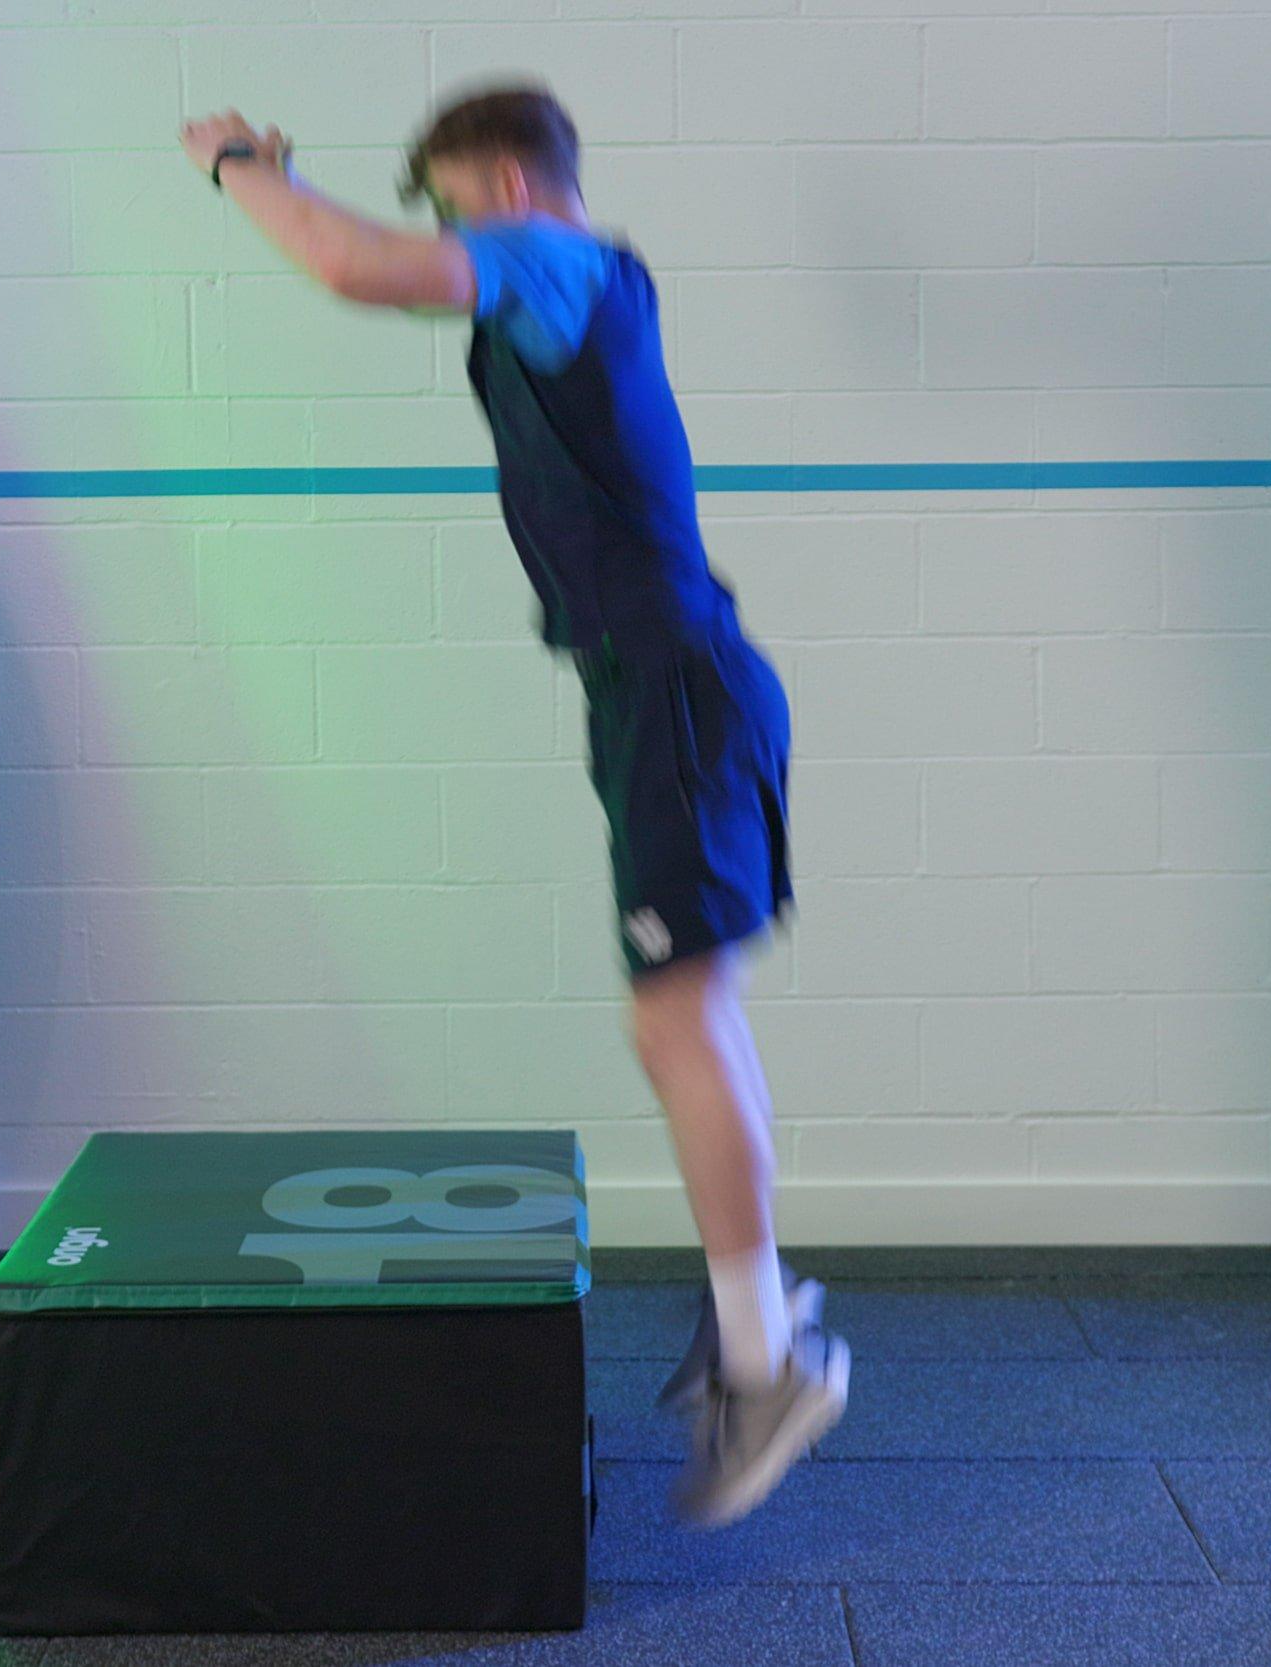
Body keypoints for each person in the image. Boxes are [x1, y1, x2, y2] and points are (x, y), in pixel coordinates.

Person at [178, 81, 848, 1528]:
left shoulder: (552, 256)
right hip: (659, 684)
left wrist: (234, 167)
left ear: (500, 177)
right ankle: (759, 1313)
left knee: (676, 1018)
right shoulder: (568, 285)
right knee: (682, 1014)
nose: (450, 238)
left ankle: (768, 1362)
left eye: (452, 205)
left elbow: (359, 267)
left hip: (674, 685)